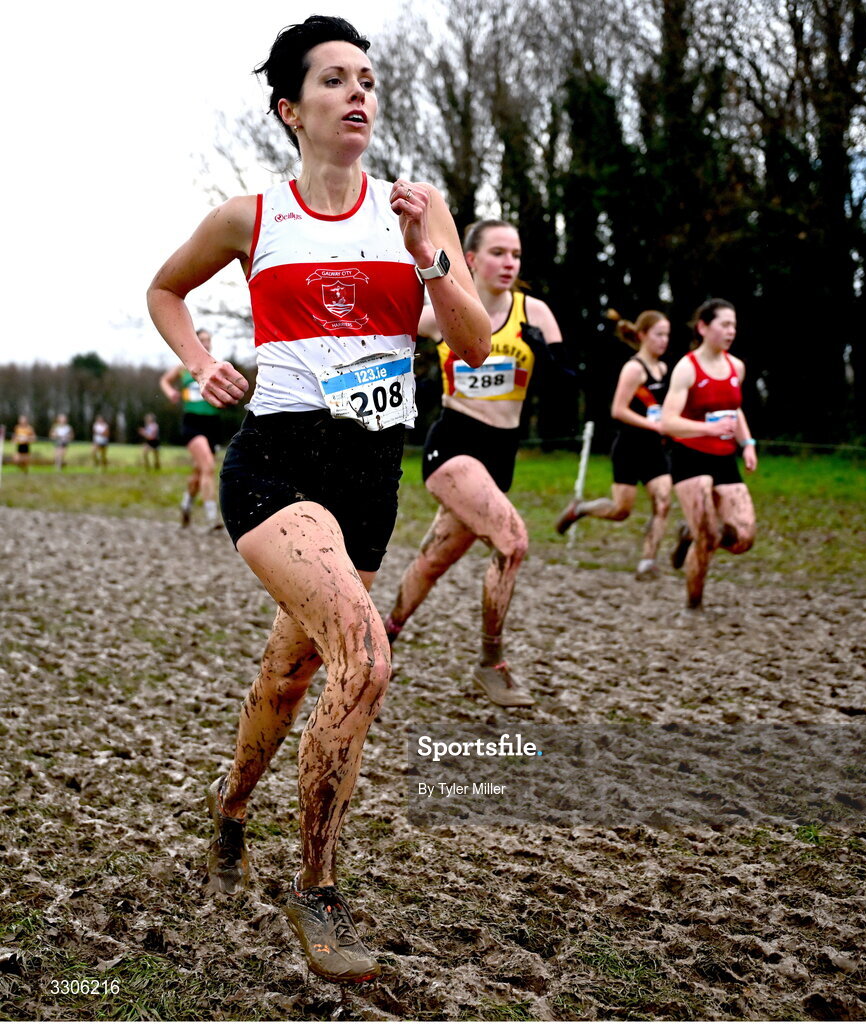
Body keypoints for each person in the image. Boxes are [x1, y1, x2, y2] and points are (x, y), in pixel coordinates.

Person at [146, 15, 489, 985]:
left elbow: (472, 341)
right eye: (335, 79)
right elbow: (165, 291)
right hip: (277, 467)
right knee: (365, 654)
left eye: (368, 79)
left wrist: (432, 249)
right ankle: (319, 893)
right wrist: (204, 360)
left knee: (294, 675)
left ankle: (229, 805)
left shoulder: (415, 210)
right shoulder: (250, 217)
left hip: (368, 477)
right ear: (292, 108)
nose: (359, 94)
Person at [384, 219, 564, 709]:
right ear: (470, 259)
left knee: (434, 559)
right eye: (498, 253)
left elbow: (564, 389)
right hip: (454, 448)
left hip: (501, 456)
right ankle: (492, 663)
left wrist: (544, 354)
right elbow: (378, 326)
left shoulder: (538, 313)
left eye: (516, 255)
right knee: (512, 541)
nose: (509, 263)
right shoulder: (442, 312)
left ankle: (384, 633)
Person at [555, 311, 673, 579]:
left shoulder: (664, 369)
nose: (664, 341)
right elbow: (618, 410)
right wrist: (652, 424)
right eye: (659, 335)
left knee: (663, 503)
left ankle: (648, 562)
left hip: (655, 448)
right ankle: (580, 509)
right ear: (642, 335)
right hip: (629, 447)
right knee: (621, 511)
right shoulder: (634, 369)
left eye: (667, 335)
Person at [660, 298, 757, 610]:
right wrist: (707, 430)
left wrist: (748, 444)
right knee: (709, 539)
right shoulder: (687, 368)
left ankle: (691, 531)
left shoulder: (736, 367)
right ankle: (694, 604)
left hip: (725, 457)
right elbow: (667, 421)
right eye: (724, 324)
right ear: (703, 327)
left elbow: (735, 409)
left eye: (734, 326)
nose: (731, 331)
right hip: (690, 456)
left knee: (744, 538)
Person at [159, 329, 224, 528]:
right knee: (208, 467)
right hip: (192, 423)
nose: (205, 343)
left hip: (212, 423)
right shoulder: (184, 367)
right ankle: (212, 517)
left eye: (208, 340)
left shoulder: (217, 367)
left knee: (199, 472)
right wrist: (170, 392)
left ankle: (186, 504)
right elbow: (164, 380)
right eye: (201, 340)